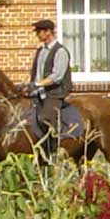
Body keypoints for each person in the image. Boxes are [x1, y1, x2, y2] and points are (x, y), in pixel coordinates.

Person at [28, 19, 73, 157]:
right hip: (38, 93)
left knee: (46, 118)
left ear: (48, 32)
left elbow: (57, 76)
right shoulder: (41, 51)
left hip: (55, 94)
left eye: (39, 32)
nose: (37, 35)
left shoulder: (60, 51)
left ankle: (54, 151)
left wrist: (38, 84)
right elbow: (36, 73)